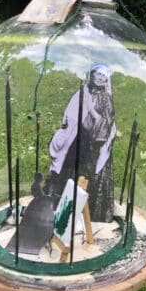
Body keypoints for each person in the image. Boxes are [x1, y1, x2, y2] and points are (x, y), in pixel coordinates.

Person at [44, 64, 116, 222]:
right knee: (69, 169)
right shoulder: (82, 92)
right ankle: (60, 207)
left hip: (93, 143)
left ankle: (87, 213)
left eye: (104, 76)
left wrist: (94, 117)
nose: (100, 78)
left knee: (87, 173)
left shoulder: (106, 98)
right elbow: (70, 114)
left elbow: (108, 121)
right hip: (76, 140)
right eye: (97, 74)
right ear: (91, 74)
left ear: (107, 80)